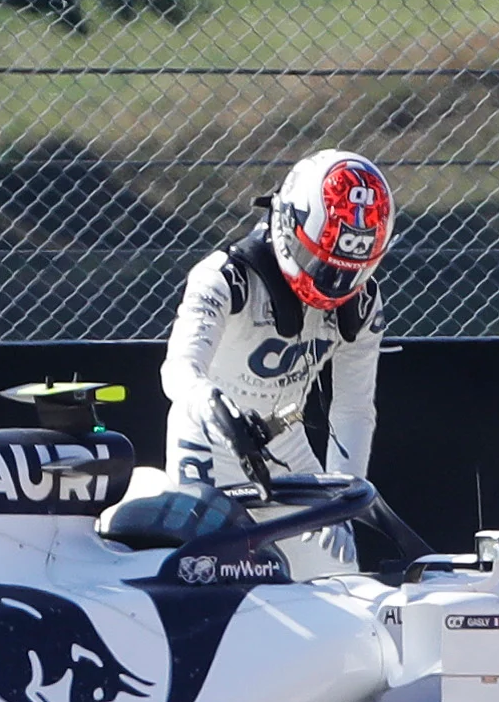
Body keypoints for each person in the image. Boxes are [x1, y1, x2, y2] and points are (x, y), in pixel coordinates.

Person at [161, 149, 394, 491]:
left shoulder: (363, 303)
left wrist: (346, 494)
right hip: (206, 444)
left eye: (350, 271)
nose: (333, 283)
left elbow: (353, 409)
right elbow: (178, 371)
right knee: (212, 546)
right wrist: (214, 406)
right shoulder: (224, 278)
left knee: (338, 542)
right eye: (319, 261)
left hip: (287, 448)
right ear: (289, 223)